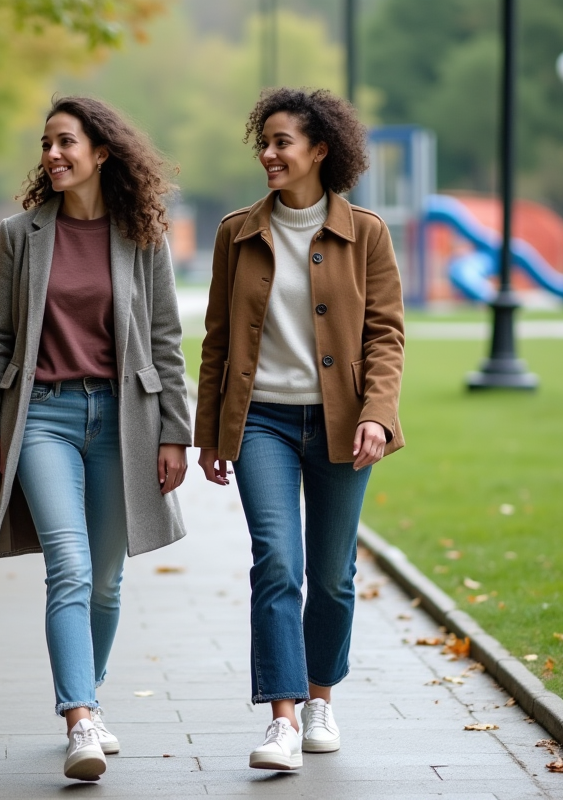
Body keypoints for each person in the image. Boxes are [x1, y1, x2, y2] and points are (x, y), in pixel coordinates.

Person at [0, 96, 192, 782]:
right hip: (43, 417)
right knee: (66, 562)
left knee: (104, 579)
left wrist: (175, 432)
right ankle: (81, 719)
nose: (53, 154)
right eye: (46, 144)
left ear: (101, 152)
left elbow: (165, 339)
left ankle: (87, 695)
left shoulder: (142, 236)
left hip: (122, 421)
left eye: (66, 142)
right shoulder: (20, 234)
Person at [194, 87, 405, 772]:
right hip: (262, 424)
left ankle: (320, 700)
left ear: (320, 150)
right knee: (277, 562)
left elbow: (386, 335)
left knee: (334, 576)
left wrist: (377, 412)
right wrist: (209, 432)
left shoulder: (365, 231)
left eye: (283, 142)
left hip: (344, 425)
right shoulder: (237, 232)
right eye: (265, 141)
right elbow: (217, 340)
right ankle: (282, 718)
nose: (269, 153)